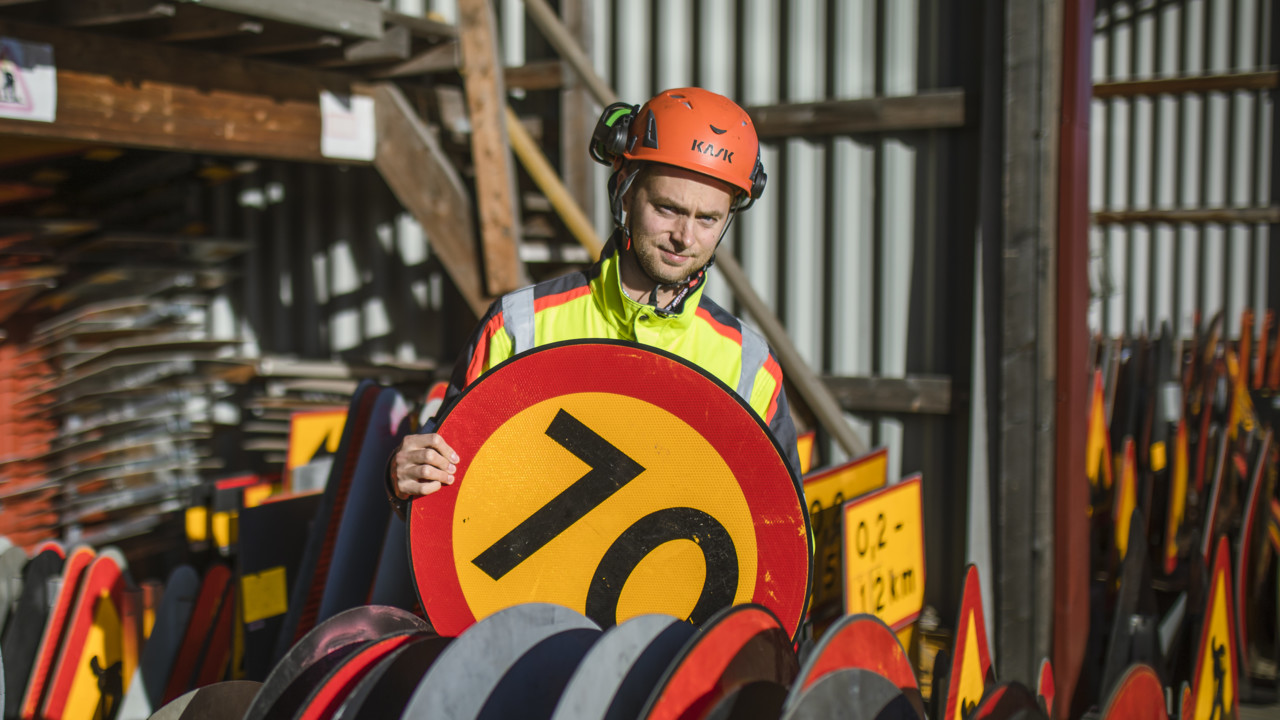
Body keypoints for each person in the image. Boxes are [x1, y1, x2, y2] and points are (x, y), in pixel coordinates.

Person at [389, 87, 800, 509]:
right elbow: (443, 491)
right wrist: (403, 478)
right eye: (667, 209)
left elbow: (780, 529)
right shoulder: (520, 324)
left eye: (708, 218)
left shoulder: (751, 365)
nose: (685, 237)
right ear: (625, 189)